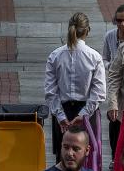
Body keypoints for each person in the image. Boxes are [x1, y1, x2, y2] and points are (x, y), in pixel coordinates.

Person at [44, 12, 106, 159]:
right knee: (88, 157)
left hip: (63, 110)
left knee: (63, 157)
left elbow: (50, 91)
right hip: (87, 112)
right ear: (87, 30)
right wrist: (84, 114)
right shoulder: (94, 56)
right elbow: (99, 92)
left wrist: (60, 116)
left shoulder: (55, 55)